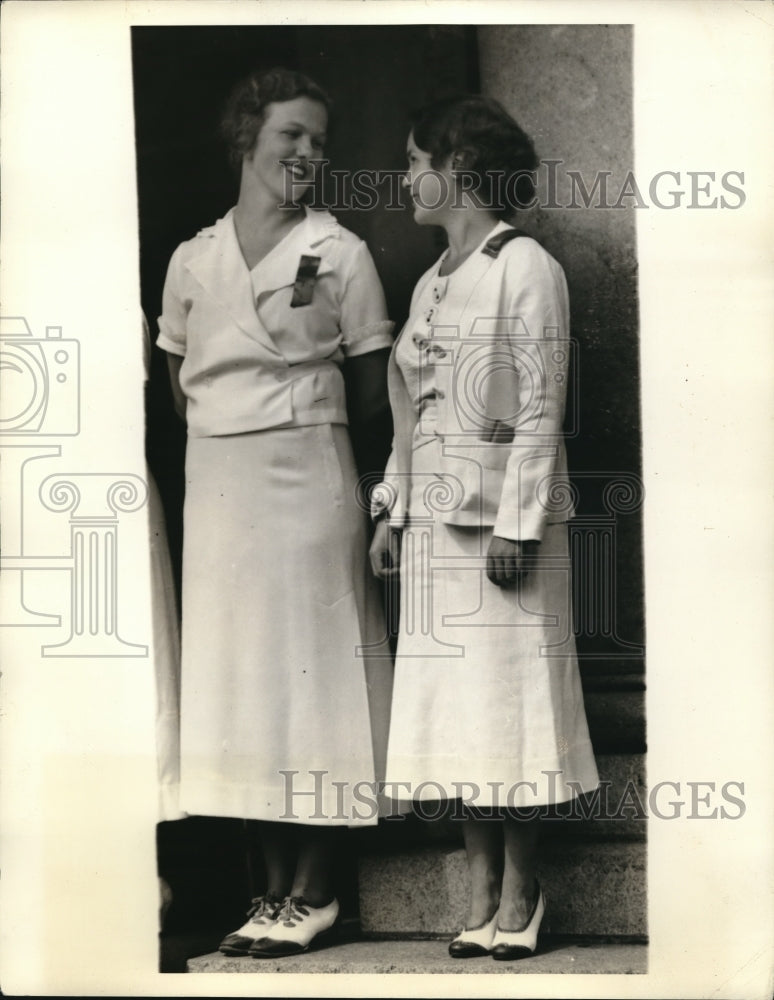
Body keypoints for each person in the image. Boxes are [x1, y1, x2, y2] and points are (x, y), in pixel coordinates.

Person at [156, 67, 394, 959]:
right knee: (243, 677)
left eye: (321, 141)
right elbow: (183, 386)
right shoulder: (192, 257)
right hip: (221, 486)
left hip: (307, 479)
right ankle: (266, 890)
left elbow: (374, 388)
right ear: (247, 138)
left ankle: (317, 891)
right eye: (293, 135)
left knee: (312, 672)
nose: (309, 154)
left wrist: (289, 412)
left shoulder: (340, 251)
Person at [370, 95, 599, 961]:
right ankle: (479, 885)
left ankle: (522, 887)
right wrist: (392, 508)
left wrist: (519, 524)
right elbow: (410, 413)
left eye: (413, 159)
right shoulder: (433, 281)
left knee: (509, 708)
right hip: (433, 527)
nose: (404, 177)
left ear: (459, 167)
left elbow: (542, 403)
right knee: (457, 717)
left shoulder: (524, 265)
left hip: (503, 534)